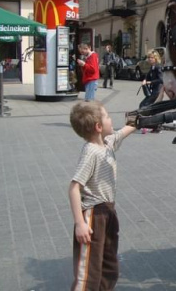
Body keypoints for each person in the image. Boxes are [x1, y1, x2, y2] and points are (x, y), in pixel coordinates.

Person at [68, 101, 136, 290]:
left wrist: (156, 102)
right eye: (107, 116)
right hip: (93, 216)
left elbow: (129, 128)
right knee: (89, 271)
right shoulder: (91, 152)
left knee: (108, 267)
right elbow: (74, 188)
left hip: (108, 212)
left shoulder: (107, 143)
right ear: (98, 127)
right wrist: (80, 223)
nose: (110, 118)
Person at [139, 49, 164, 134]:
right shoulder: (152, 67)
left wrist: (150, 82)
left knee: (143, 105)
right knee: (154, 109)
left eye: (151, 57)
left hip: (157, 91)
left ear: (156, 58)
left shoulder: (158, 67)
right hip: (154, 91)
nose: (150, 59)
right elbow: (148, 76)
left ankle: (145, 126)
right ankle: (157, 127)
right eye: (149, 57)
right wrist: (145, 80)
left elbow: (161, 79)